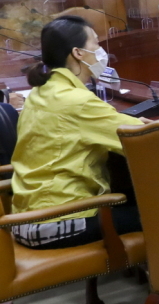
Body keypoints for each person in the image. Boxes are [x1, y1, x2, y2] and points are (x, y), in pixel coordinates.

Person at [9, 16, 145, 249]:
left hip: (26, 219)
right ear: (78, 53)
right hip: (57, 221)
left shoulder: (41, 92)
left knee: (134, 200)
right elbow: (142, 141)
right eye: (95, 43)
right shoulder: (76, 101)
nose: (100, 50)